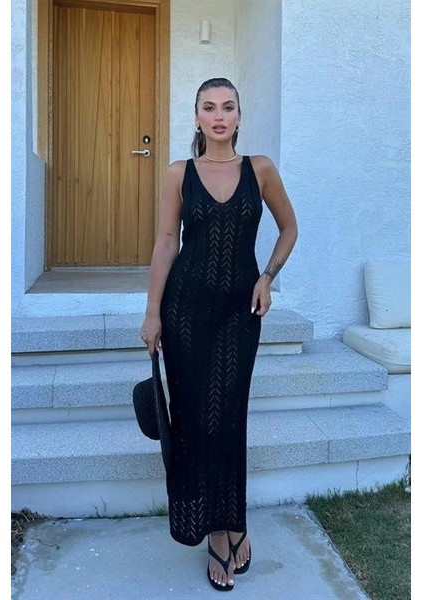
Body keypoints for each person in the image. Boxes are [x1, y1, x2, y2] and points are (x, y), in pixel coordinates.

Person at [140, 77, 298, 591]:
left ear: (239, 116)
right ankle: (216, 532)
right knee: (194, 421)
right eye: (209, 107)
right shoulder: (178, 173)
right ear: (197, 117)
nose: (219, 116)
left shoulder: (260, 169)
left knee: (229, 418)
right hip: (185, 311)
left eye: (228, 107)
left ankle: (235, 522)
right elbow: (166, 243)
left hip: (238, 314)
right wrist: (152, 312)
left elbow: (290, 229)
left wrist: (267, 277)